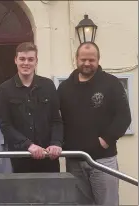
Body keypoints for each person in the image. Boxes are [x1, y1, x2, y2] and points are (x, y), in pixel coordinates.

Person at [57, 42, 131, 206]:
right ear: (76, 59)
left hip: (103, 160)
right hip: (74, 161)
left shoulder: (111, 84)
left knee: (108, 203)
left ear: (98, 60)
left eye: (92, 59)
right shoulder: (64, 88)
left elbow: (124, 117)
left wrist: (104, 141)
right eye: (83, 59)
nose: (87, 63)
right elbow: (56, 119)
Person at [0, 42, 63, 173]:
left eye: (30, 59)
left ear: (36, 61)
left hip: (48, 158)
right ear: (15, 60)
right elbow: (6, 125)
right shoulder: (5, 89)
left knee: (52, 193)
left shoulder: (48, 86)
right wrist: (28, 145)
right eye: (22, 59)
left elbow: (56, 120)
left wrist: (56, 143)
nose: (26, 63)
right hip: (20, 158)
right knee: (23, 194)